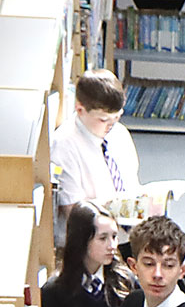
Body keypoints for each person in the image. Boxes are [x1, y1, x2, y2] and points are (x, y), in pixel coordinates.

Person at [52, 70, 142, 219]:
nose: (111, 125)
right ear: (80, 110)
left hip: (128, 225)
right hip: (92, 229)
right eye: (103, 119)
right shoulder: (63, 146)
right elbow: (73, 212)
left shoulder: (119, 133)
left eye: (117, 117)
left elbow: (132, 184)